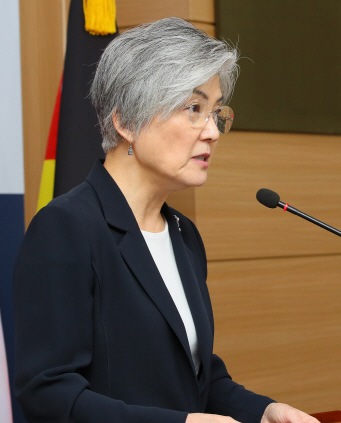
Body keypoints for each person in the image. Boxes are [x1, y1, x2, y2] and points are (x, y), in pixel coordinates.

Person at [13, 17, 320, 423]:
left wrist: (263, 410)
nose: (212, 131)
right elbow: (48, 394)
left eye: (216, 112)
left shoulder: (183, 235)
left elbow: (195, 377)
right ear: (126, 122)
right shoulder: (66, 229)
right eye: (194, 109)